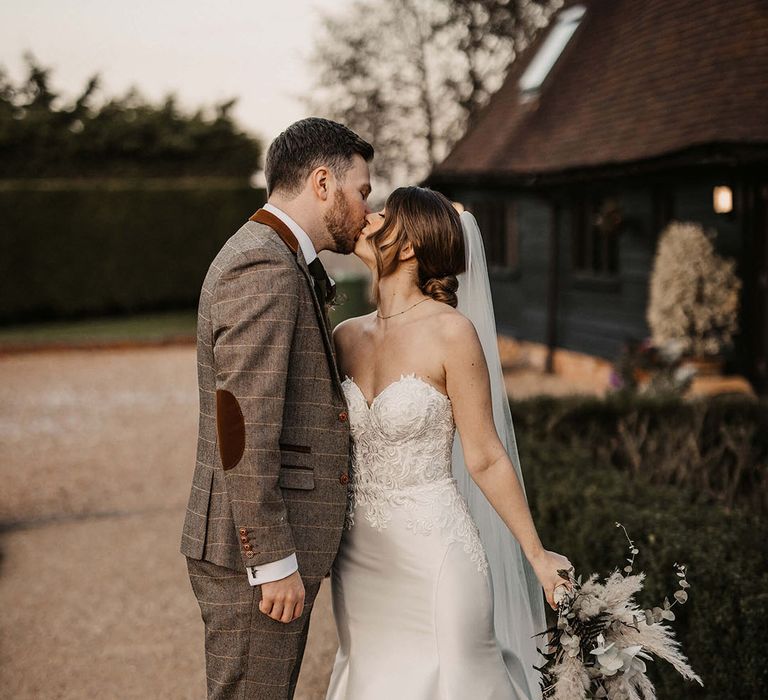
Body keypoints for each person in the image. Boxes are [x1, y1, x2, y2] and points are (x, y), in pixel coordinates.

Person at [326, 186, 573, 699]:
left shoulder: (452, 333)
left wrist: (537, 554)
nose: (366, 219)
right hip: (357, 560)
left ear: (410, 245)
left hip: (435, 555)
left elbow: (484, 456)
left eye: (381, 215)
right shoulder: (344, 336)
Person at [180, 117, 373, 699]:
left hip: (257, 546)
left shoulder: (275, 254)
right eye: (362, 191)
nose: (367, 208)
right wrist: (270, 559)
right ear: (322, 183)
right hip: (252, 557)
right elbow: (241, 420)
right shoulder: (263, 265)